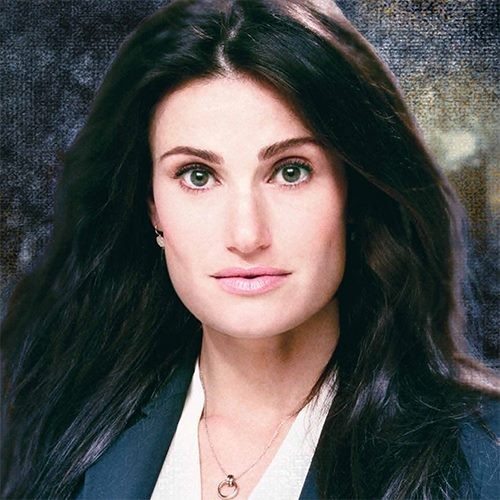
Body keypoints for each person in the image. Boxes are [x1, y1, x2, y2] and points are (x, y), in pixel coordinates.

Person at [1, 0, 498, 498]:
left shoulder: (482, 460)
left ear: (354, 194)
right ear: (152, 209)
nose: (246, 235)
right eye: (198, 176)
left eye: (290, 171)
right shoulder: (58, 432)